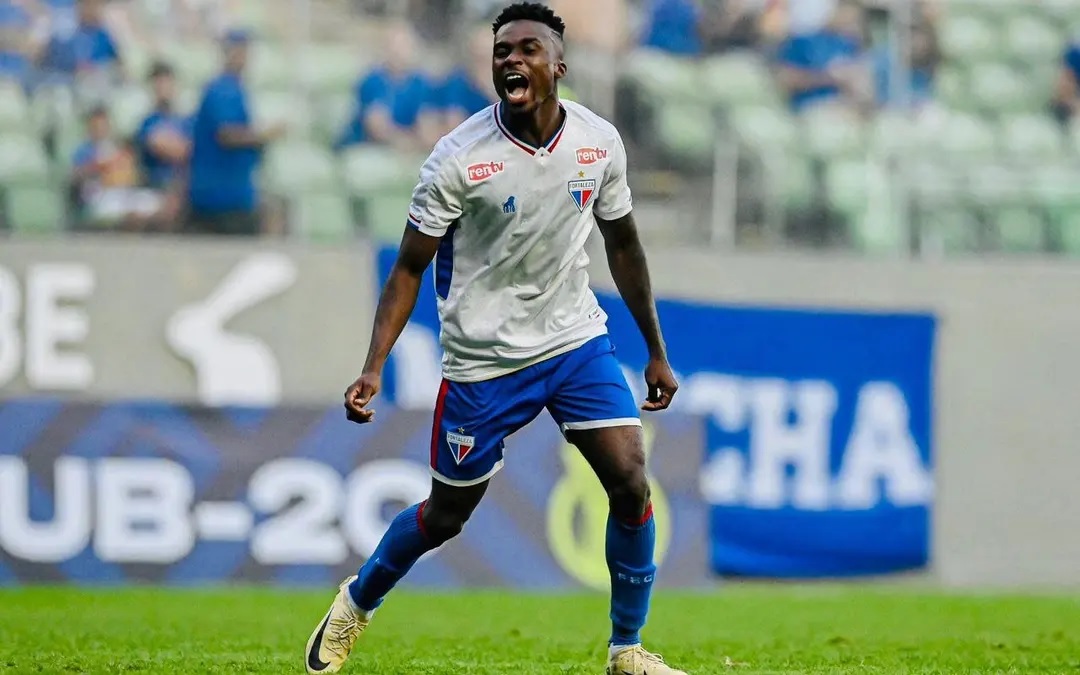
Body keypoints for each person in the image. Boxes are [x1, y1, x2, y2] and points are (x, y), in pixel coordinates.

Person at [304, 4, 685, 675]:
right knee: (447, 514)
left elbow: (623, 244)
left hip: (574, 341)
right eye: (501, 51)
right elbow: (409, 267)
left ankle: (626, 650)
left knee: (629, 479)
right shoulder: (458, 158)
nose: (510, 59)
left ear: (558, 66)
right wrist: (372, 367)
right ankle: (355, 602)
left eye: (527, 48)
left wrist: (655, 347)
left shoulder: (599, 143)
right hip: (484, 362)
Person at [186, 29, 283, 235]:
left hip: (236, 192)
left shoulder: (237, 89)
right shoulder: (222, 89)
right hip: (220, 196)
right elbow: (227, 134)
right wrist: (264, 135)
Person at [334, 20, 441, 152]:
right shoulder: (372, 81)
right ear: (384, 50)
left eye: (404, 46)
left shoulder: (422, 83)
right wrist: (406, 141)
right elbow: (377, 129)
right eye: (392, 46)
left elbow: (428, 130)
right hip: (363, 145)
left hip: (405, 148)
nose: (398, 52)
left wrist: (416, 141)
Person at [134, 61, 190, 226]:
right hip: (156, 187)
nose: (163, 88)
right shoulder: (148, 123)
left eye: (167, 82)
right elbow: (173, 150)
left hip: (185, 186)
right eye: (158, 83)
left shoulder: (187, 121)